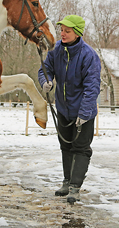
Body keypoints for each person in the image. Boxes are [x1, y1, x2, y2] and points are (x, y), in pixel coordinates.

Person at [38, 15, 101, 204]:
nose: (62, 34)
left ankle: (75, 187)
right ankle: (67, 182)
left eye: (67, 31)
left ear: (77, 33)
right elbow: (44, 69)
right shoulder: (56, 50)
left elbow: (92, 87)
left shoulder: (88, 55)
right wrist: (46, 81)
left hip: (83, 112)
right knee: (65, 146)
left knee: (80, 149)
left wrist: (84, 113)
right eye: (62, 30)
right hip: (63, 110)